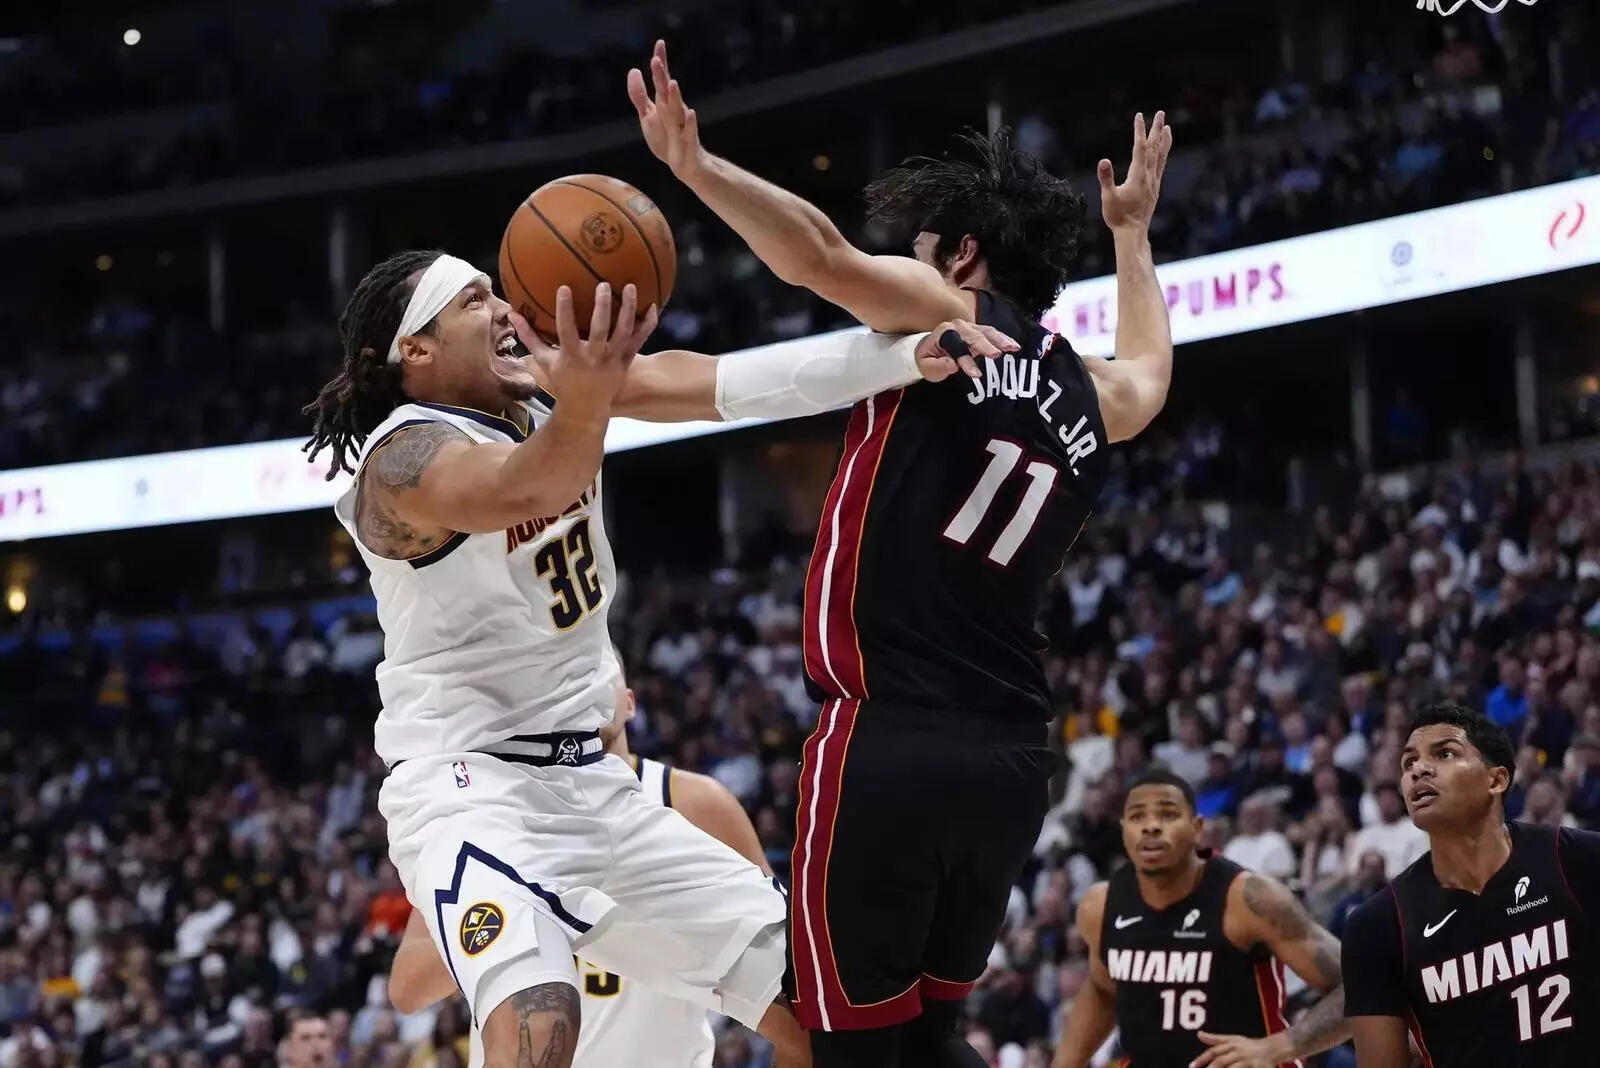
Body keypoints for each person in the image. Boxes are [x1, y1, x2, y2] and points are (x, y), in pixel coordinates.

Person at [302, 239, 1011, 1068]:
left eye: (498, 293)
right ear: (414, 350)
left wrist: (897, 360)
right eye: (472, 302)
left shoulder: (542, 392)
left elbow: (724, 387)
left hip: (599, 784)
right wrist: (590, 394)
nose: (503, 309)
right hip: (473, 786)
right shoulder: (400, 461)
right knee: (540, 1018)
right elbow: (527, 486)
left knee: (837, 1007)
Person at [630, 40, 1175, 1068]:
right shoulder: (1091, 395)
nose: (905, 265)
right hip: (1011, 757)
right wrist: (1133, 239)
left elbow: (820, 257)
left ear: (961, 255)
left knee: (842, 1045)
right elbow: (1150, 370)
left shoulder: (946, 317)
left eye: (919, 247)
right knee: (928, 1036)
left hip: (888, 737)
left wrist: (696, 168)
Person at [386, 658, 766, 1068]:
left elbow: (775, 957)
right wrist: (518, 923)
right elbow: (407, 990)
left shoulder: (694, 803)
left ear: (629, 702)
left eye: (595, 672)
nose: (580, 691)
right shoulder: (481, 815)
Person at [1342, 701, 1600, 1066]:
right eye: (1408, 763)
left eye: (1445, 753)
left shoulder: (1575, 859)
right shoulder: (1378, 925)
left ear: (1496, 780)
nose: (1419, 770)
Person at [1053, 769, 1350, 1068]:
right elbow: (1103, 991)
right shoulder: (1101, 906)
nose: (1151, 827)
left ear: (1197, 828)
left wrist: (1278, 1048)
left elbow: (1360, 986)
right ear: (1123, 831)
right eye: (1137, 817)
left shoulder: (1249, 898)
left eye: (1167, 815)